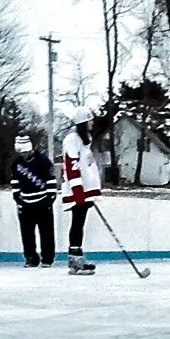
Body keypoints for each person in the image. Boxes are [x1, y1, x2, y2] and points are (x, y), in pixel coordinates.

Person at [60, 107, 101, 276]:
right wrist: (78, 189)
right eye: (89, 120)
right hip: (79, 191)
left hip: (86, 190)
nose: (92, 123)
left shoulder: (85, 140)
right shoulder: (72, 140)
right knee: (77, 223)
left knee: (80, 223)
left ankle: (77, 257)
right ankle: (75, 260)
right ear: (83, 122)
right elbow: (71, 165)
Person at [11, 131, 57, 267]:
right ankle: (31, 257)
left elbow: (50, 179)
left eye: (26, 151)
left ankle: (47, 258)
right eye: (21, 152)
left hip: (43, 202)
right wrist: (17, 197)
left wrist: (50, 197)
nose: (24, 155)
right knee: (27, 233)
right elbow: (15, 181)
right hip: (25, 203)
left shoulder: (43, 161)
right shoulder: (16, 164)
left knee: (46, 232)